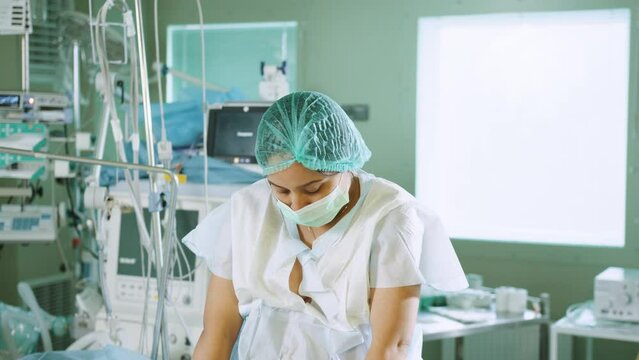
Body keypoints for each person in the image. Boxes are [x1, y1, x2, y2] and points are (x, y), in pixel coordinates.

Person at [183, 91, 467, 359]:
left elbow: (391, 347)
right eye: (281, 191)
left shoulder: (390, 218)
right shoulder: (248, 209)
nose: (297, 204)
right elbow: (218, 333)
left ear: (345, 164)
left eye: (314, 189)